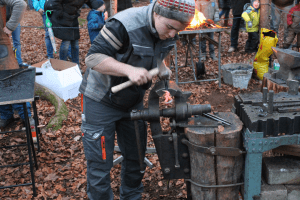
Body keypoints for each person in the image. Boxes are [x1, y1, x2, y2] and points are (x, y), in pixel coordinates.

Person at [79, 0, 195, 199]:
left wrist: (161, 66)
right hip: (101, 100)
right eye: (170, 27)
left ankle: (131, 196)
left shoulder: (167, 30)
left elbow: (156, 52)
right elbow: (92, 58)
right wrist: (128, 70)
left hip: (133, 101)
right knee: (100, 165)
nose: (173, 34)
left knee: (137, 159)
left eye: (179, 30)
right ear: (157, 13)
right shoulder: (124, 24)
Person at [0, 0, 33, 128]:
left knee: (12, 80)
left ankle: (26, 116)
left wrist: (10, 26)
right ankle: (5, 116)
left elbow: (21, 4)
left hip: (2, 47)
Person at [48, 0, 93, 68]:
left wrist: (99, 7)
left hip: (73, 18)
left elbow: (92, 2)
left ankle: (76, 66)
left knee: (75, 45)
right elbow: (56, 2)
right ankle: (62, 65)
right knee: (66, 43)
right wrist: (60, 13)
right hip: (63, 18)